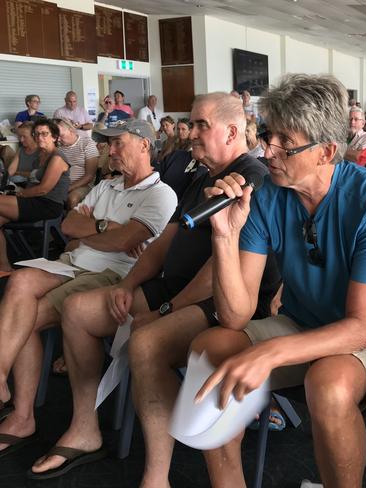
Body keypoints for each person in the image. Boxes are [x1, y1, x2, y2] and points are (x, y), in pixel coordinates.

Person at [29, 93, 277, 485]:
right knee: (78, 312)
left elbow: (221, 268)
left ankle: (156, 476)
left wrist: (165, 310)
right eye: (191, 124)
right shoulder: (203, 176)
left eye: (200, 125)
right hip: (172, 289)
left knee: (146, 342)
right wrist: (128, 284)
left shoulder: (252, 178)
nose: (191, 133)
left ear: (232, 131)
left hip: (222, 299)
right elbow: (164, 243)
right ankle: (85, 428)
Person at [189, 74, 366, 488]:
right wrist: (224, 234)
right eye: (268, 136)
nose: (267, 151)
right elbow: (235, 317)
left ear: (327, 151)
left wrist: (271, 353)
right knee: (210, 349)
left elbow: (360, 328)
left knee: (327, 384)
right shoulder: (268, 193)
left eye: (285, 144)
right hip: (301, 323)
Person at [0, 119, 177, 461]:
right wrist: (101, 227)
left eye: (118, 143)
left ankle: (23, 416)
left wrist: (96, 232)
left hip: (112, 273)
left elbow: (128, 240)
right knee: (20, 282)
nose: (110, 151)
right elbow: (68, 226)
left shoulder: (160, 193)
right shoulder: (107, 186)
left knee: (25, 315)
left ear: (144, 145)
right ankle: (6, 386)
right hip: (75, 262)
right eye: (107, 144)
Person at [0, 119, 70, 272]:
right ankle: (5, 267)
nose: (40, 138)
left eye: (44, 134)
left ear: (54, 137)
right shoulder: (40, 156)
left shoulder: (57, 157)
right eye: (37, 134)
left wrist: (19, 194)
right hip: (33, 201)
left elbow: (43, 189)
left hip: (47, 204)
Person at [53, 118, 100, 208]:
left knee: (72, 198)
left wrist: (68, 188)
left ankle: (70, 221)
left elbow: (89, 176)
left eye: (61, 135)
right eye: (56, 137)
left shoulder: (86, 144)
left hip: (83, 185)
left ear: (71, 130)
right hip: (61, 185)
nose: (58, 140)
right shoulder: (58, 148)